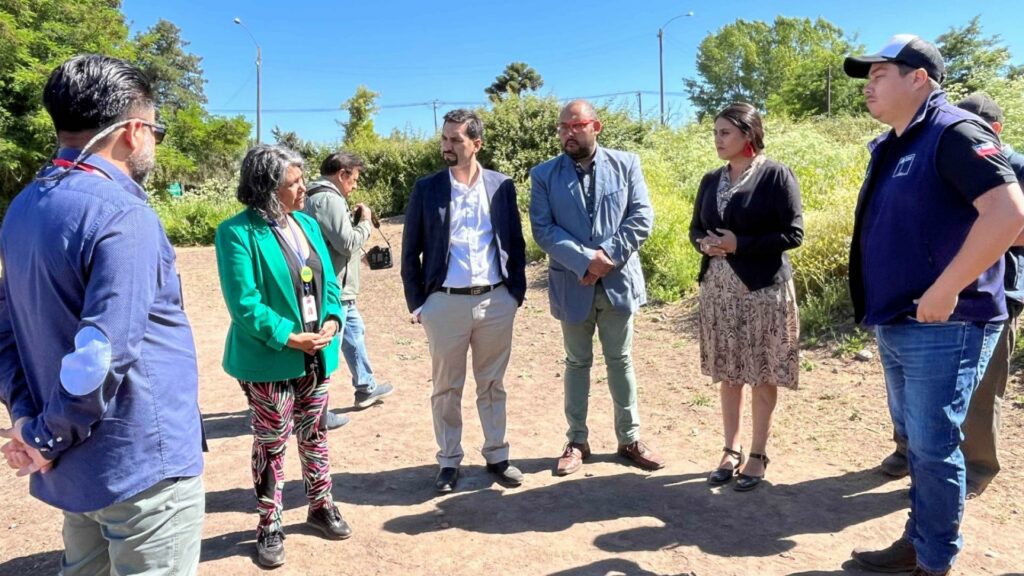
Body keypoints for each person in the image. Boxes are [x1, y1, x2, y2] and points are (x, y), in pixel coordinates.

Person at [0, 54, 205, 575]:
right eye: (156, 129)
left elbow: (8, 334)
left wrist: (29, 421)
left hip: (75, 471)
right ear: (134, 130)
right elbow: (100, 353)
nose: (155, 141)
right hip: (140, 466)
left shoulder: (24, 207)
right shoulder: (122, 213)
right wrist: (43, 434)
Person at [843, 35, 1024, 576]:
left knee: (934, 445)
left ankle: (934, 560)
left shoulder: (954, 131)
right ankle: (919, 541)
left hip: (948, 321)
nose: (869, 84)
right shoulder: (896, 142)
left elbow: (1009, 214)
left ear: (918, 77)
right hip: (900, 319)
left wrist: (947, 286)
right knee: (920, 447)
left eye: (880, 74)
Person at [878, 93, 1024, 500]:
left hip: (994, 296)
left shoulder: (1013, 165)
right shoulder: (939, 152)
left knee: (979, 389)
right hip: (933, 290)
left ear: (995, 129)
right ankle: (907, 450)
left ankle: (977, 466)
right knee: (911, 382)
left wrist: (977, 235)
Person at [215, 145, 351, 568]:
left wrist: (331, 318)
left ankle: (320, 503)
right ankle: (269, 522)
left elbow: (329, 282)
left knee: (315, 433)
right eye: (292, 183)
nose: (302, 187)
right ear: (266, 189)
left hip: (316, 354)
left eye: (300, 179)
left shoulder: (307, 223)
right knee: (272, 443)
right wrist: (290, 337)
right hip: (271, 357)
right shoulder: (237, 233)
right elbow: (244, 304)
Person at [529, 99, 665, 477]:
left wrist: (608, 256)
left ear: (596, 127)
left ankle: (630, 438)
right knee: (576, 362)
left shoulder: (626, 164)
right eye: (562, 127)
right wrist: (584, 261)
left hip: (618, 280)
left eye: (575, 126)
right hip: (572, 283)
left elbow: (641, 217)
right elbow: (543, 229)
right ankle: (576, 440)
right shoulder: (543, 175)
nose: (567, 133)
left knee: (620, 361)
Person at [401, 109, 528, 493]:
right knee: (446, 386)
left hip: (495, 301)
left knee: (492, 384)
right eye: (444, 138)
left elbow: (515, 244)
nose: (447, 146)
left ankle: (497, 455)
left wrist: (514, 294)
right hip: (445, 303)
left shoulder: (501, 186)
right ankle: (448, 460)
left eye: (456, 139)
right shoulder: (428, 188)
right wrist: (420, 304)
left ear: (477, 144)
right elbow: (411, 252)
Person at [689, 102, 803, 491]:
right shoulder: (710, 180)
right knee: (729, 373)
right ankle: (729, 449)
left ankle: (757, 453)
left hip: (763, 292)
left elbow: (793, 234)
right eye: (715, 132)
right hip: (719, 291)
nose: (717, 139)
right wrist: (704, 244)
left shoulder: (776, 176)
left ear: (748, 135)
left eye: (725, 133)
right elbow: (695, 229)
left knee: (762, 372)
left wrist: (741, 244)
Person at [305, 151, 395, 428]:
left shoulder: (316, 196)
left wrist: (361, 256)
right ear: (342, 173)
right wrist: (365, 221)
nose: (354, 185)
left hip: (340, 288)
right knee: (328, 348)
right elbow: (345, 243)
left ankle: (366, 386)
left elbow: (335, 244)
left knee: (355, 334)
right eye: (353, 179)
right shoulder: (328, 198)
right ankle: (318, 411)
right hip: (334, 291)